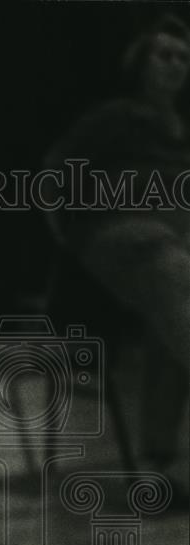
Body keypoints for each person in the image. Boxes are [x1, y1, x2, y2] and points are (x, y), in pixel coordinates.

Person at [45, 15, 190, 494]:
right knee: (173, 273)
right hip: (120, 237)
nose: (175, 65)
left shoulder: (182, 132)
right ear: (140, 63)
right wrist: (68, 238)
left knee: (171, 309)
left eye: (183, 58)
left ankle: (160, 462)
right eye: (163, 55)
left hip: (173, 249)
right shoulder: (114, 117)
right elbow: (55, 172)